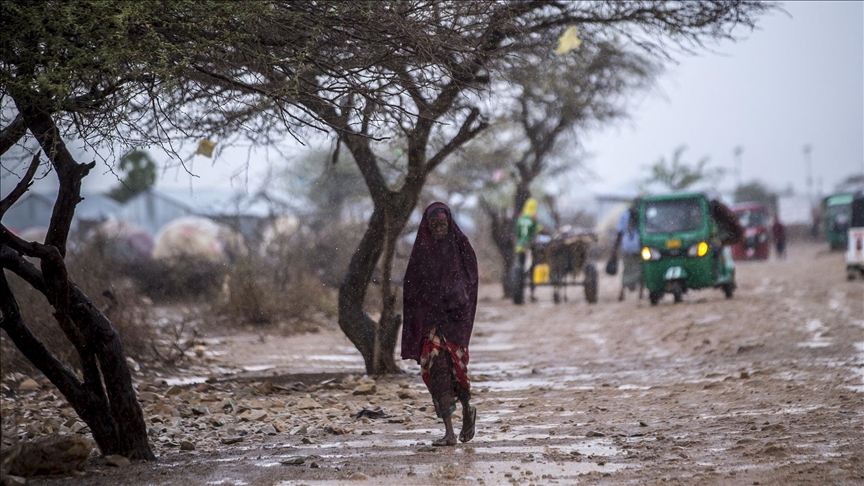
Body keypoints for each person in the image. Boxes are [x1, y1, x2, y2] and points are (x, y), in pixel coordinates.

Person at [401, 202, 479, 446]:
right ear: (427, 225)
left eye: (442, 224)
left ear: (449, 223)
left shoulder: (460, 245)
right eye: (433, 225)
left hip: (455, 318)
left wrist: (458, 296)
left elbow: (472, 278)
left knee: (458, 370)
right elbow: (411, 285)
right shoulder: (422, 250)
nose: (438, 229)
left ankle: (467, 409)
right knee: (437, 369)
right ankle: (449, 432)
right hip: (430, 319)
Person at [610, 200, 643, 302]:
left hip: (627, 247)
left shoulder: (625, 215)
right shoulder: (643, 213)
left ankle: (622, 292)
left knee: (626, 270)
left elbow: (619, 233)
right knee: (642, 270)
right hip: (641, 246)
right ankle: (641, 294)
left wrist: (614, 249)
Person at [513, 198, 542, 304]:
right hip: (531, 247)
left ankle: (518, 292)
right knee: (532, 270)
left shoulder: (520, 218)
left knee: (520, 269)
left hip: (520, 247)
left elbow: (518, 233)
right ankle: (532, 292)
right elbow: (539, 230)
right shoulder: (533, 218)